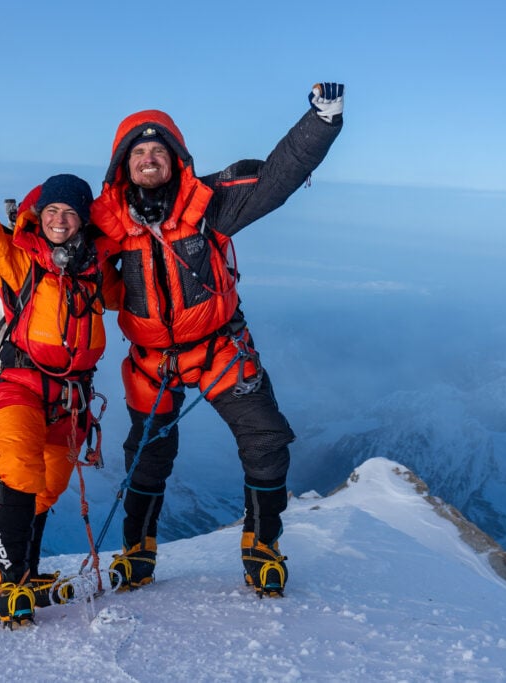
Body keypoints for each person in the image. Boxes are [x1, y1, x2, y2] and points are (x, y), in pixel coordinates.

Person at [89, 83, 345, 597]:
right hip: (153, 360)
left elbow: (276, 180)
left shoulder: (208, 206)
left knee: (266, 441)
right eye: (137, 152)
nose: (148, 159)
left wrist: (322, 119)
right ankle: (137, 552)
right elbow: (53, 233)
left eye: (158, 151)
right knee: (146, 456)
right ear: (122, 165)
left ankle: (262, 547)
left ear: (176, 160)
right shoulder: (108, 222)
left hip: (219, 346)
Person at [0, 114, 119, 627]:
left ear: (85, 219)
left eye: (70, 211)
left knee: (51, 482)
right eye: (53, 209)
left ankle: (28, 571)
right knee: (19, 469)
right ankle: (9, 584)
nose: (60, 218)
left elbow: (135, 292)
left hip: (70, 398)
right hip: (18, 384)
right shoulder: (19, 260)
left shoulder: (95, 271)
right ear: (39, 214)